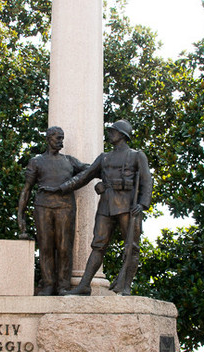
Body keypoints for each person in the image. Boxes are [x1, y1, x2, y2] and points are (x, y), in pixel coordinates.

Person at [49, 120, 152, 296]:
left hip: (129, 206)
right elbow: (84, 177)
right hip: (106, 206)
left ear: (122, 135)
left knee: (132, 247)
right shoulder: (104, 158)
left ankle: (126, 286)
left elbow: (147, 180)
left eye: (113, 131)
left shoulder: (137, 156)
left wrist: (142, 204)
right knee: (98, 245)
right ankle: (84, 285)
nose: (110, 134)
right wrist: (61, 188)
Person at [17, 126, 88, 295]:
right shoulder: (36, 161)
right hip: (43, 206)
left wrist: (72, 183)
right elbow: (26, 189)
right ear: (48, 139)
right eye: (58, 138)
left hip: (65, 206)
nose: (61, 142)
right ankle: (48, 284)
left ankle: (63, 285)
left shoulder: (70, 161)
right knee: (46, 246)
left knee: (64, 247)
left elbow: (89, 170)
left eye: (62, 138)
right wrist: (20, 214)